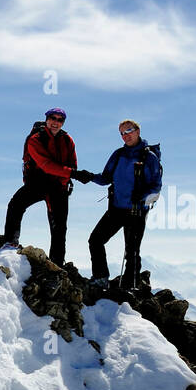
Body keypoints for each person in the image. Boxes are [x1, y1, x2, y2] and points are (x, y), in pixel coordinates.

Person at [71, 119, 162, 289]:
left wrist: (141, 197)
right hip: (116, 209)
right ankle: (100, 278)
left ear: (137, 131)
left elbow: (156, 187)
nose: (125, 135)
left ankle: (130, 287)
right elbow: (106, 178)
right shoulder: (118, 154)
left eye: (128, 131)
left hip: (136, 211)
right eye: (122, 133)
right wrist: (89, 176)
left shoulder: (149, 157)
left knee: (132, 251)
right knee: (96, 240)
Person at [3, 107, 77, 265]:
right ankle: (11, 243)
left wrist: (64, 182)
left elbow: (73, 164)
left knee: (59, 227)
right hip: (37, 184)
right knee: (15, 205)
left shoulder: (67, 140)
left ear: (63, 122)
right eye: (53, 118)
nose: (56, 122)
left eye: (60, 120)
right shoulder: (35, 139)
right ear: (46, 119)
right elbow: (45, 164)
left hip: (58, 186)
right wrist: (70, 174)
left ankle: (57, 262)